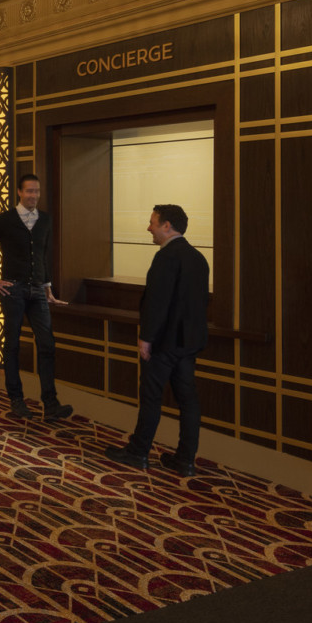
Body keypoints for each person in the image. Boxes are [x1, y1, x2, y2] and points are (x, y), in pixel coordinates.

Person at [105, 203, 211, 475]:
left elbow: (157, 303)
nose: (149, 227)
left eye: (153, 222)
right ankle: (185, 460)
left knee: (151, 398)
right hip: (188, 343)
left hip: (164, 342)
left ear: (167, 225)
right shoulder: (199, 258)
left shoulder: (166, 257)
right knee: (188, 400)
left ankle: (138, 452)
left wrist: (146, 338)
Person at [0, 172, 72, 421]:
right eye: (29, 191)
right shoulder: (6, 220)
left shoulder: (45, 220)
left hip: (38, 291)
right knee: (12, 345)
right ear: (19, 193)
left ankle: (50, 404)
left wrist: (48, 289)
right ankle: (16, 400)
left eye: (37, 191)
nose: (34, 195)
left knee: (47, 344)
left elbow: (44, 256)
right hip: (13, 290)